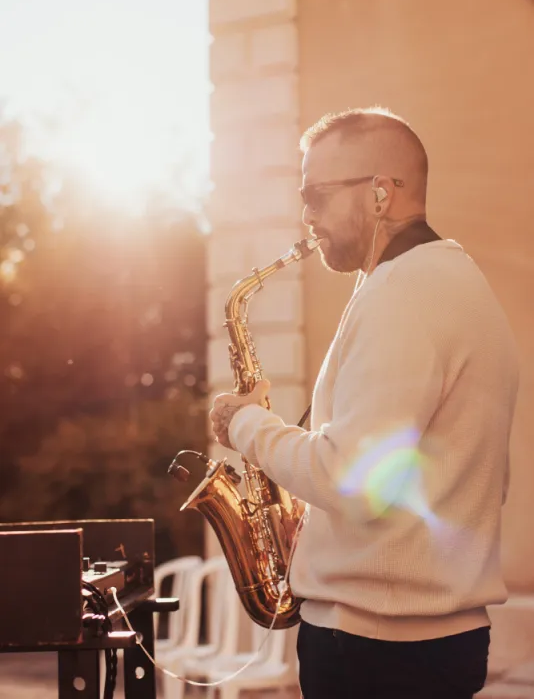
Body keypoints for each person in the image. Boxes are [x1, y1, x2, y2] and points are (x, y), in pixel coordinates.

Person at [209, 107, 519, 699]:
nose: (306, 213)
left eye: (317, 193)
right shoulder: (450, 281)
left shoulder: (403, 294)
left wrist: (245, 424)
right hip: (419, 643)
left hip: (378, 651)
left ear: (380, 194)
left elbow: (353, 480)